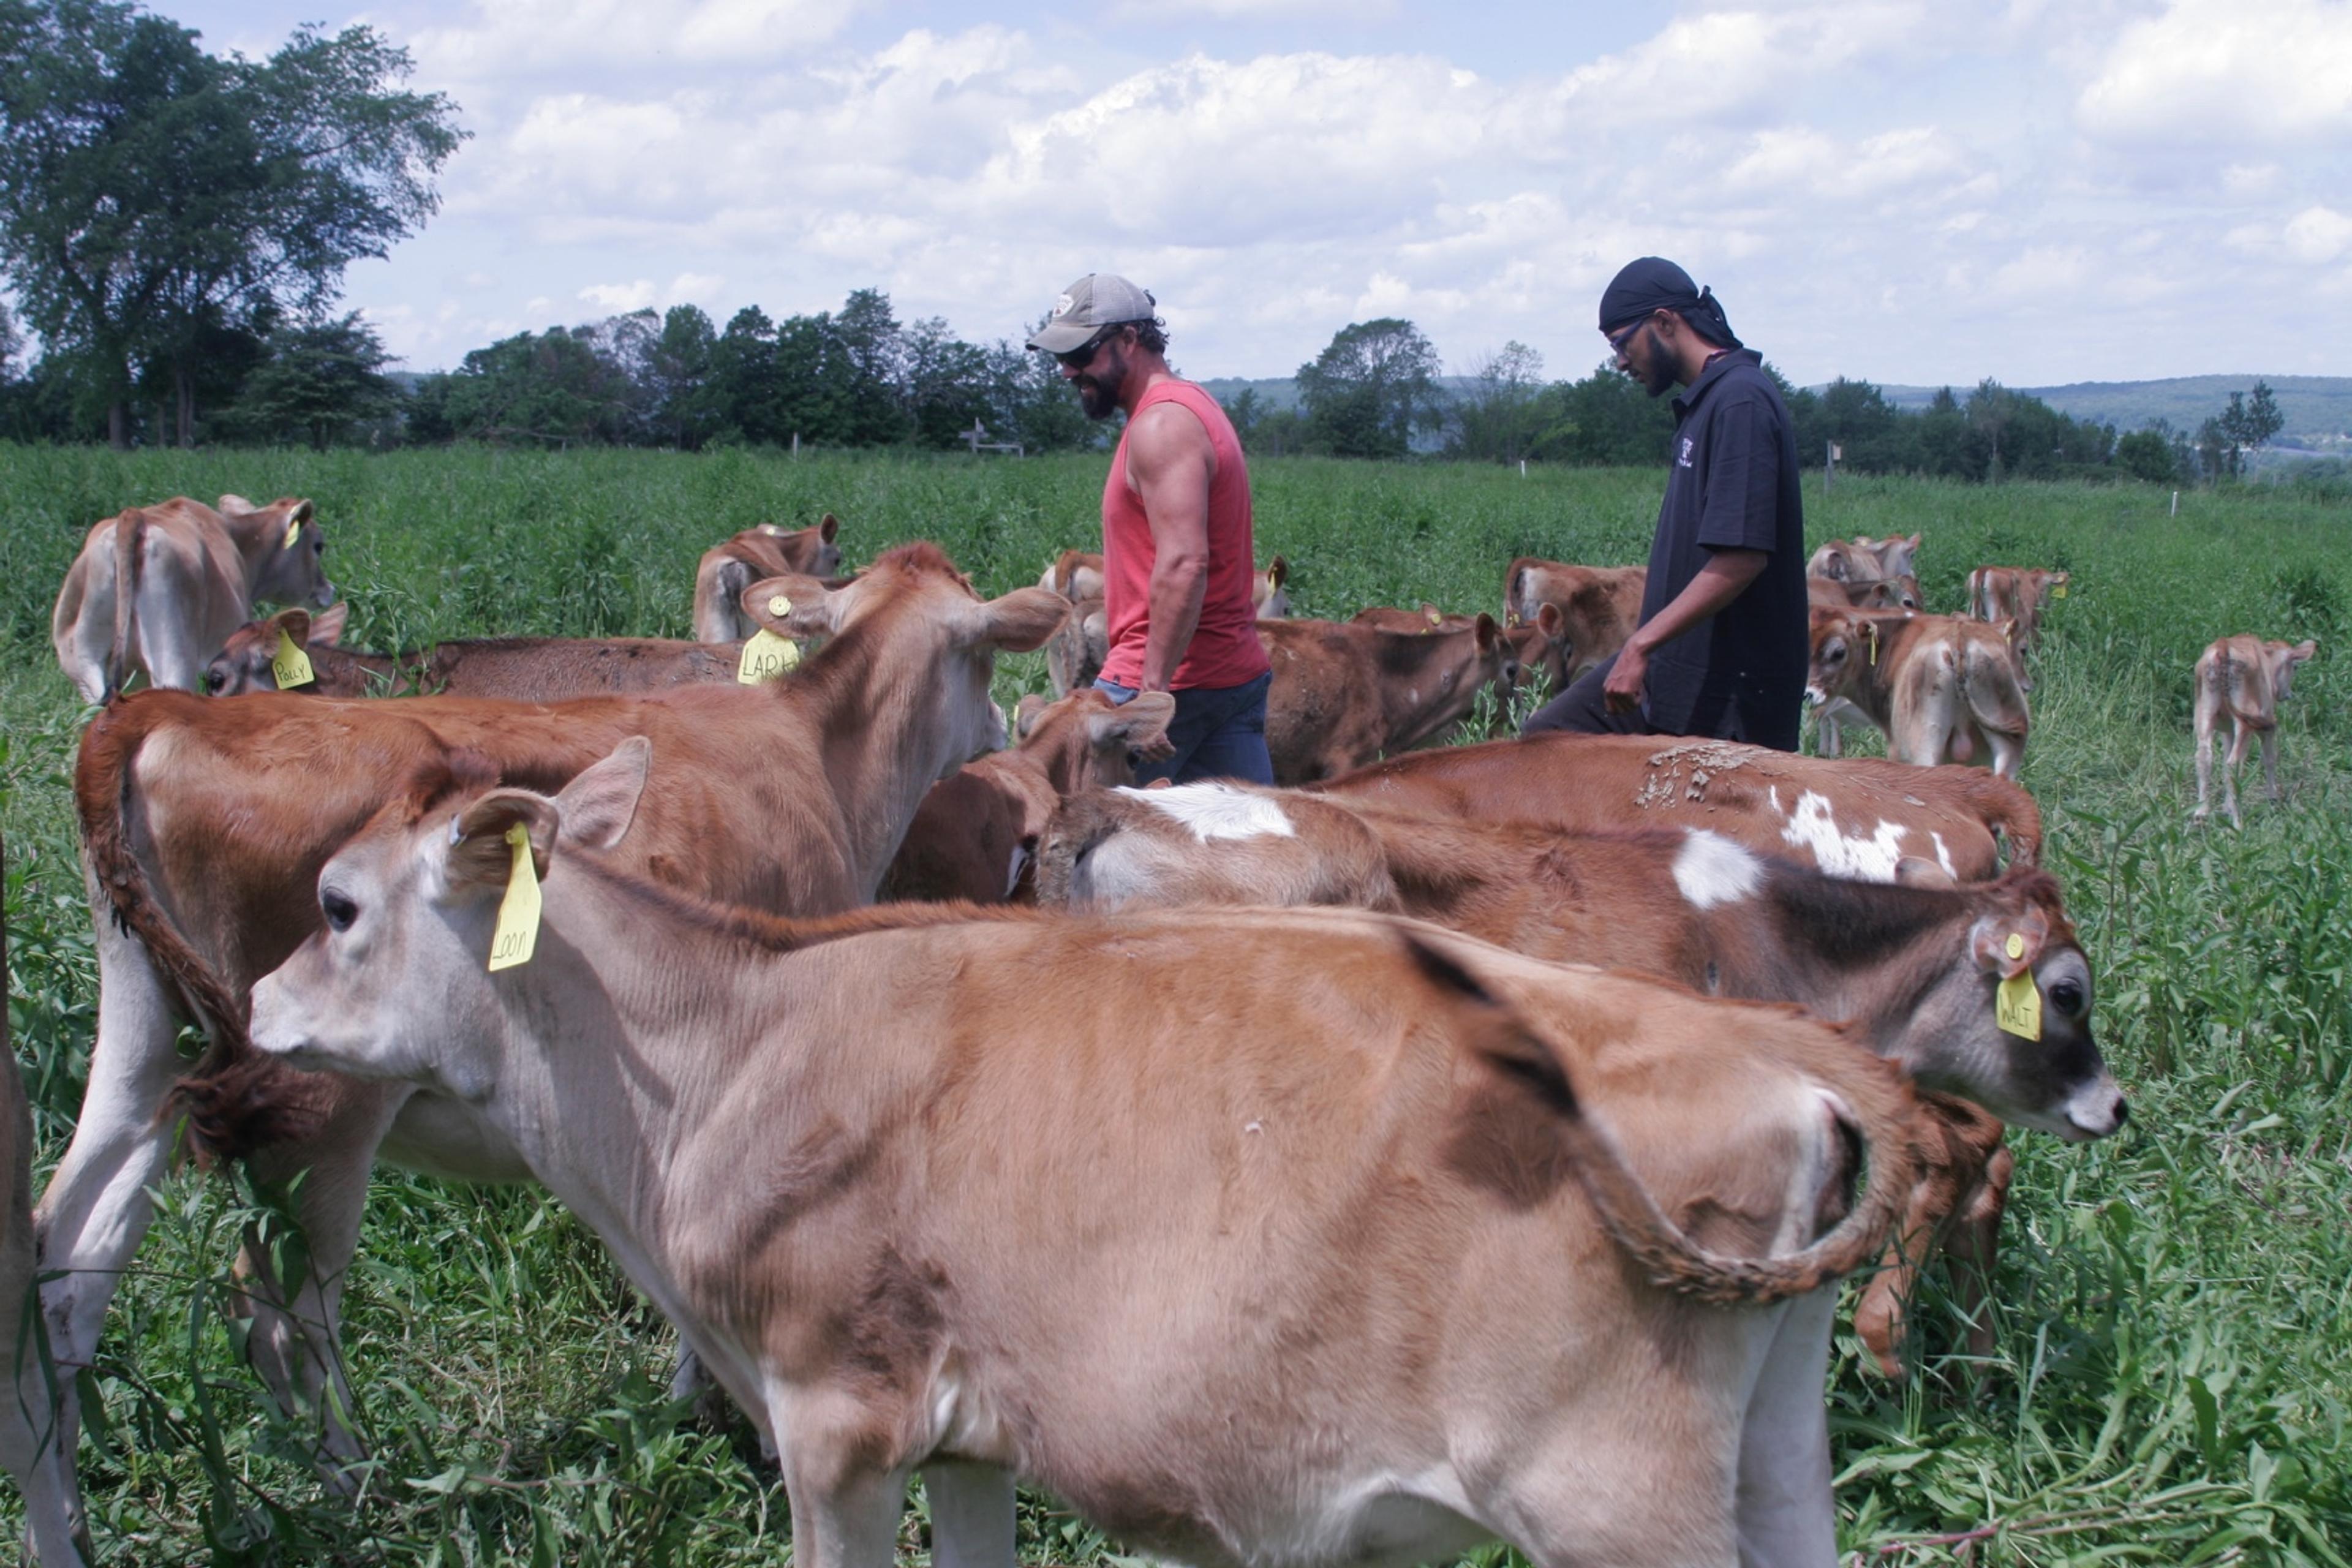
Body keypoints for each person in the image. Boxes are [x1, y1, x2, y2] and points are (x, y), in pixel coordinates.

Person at [1521, 258, 1807, 750]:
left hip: (1729, 696)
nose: (1620, 362)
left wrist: (1639, 644)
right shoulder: (1710, 400)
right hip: (1676, 674)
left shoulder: (1741, 401)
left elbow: (1742, 559)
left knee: (1693, 824)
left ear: (1665, 323)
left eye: (1621, 343)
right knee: (1546, 742)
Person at [1027, 273, 1275, 785]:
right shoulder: (1190, 407)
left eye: (1080, 353)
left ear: (1129, 341)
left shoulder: (1162, 426)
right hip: (1229, 675)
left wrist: (1150, 696)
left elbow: (1185, 562)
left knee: (1065, 840)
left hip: (1167, 684)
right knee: (1238, 856)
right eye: (1061, 356)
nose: (1068, 371)